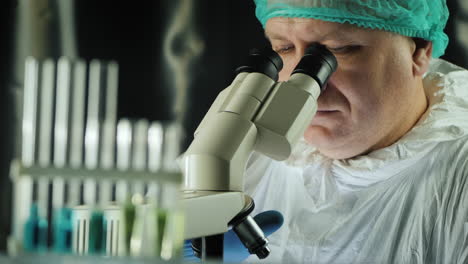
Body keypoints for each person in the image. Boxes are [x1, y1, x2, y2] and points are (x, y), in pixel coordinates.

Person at [240, 0, 468, 263]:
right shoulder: (245, 148)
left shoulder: (458, 178)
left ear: (419, 52)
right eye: (285, 48)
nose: (301, 84)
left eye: (339, 49)